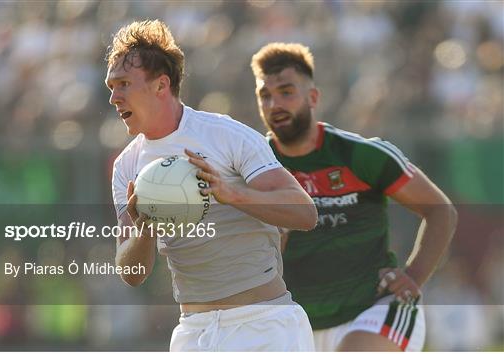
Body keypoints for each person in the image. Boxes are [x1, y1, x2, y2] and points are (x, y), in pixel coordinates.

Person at [106, 21, 317, 351]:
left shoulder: (225, 135)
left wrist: (232, 194)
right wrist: (144, 228)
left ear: (161, 85)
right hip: (195, 331)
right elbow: (131, 272)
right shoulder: (127, 168)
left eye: (123, 84)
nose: (113, 97)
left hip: (264, 326)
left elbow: (304, 213)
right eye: (111, 86)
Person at [250, 42, 458, 351]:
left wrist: (413, 276)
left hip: (375, 310)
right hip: (297, 324)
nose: (274, 104)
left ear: (313, 97)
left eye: (286, 92)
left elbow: (440, 211)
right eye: (265, 96)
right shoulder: (253, 165)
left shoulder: (362, 155)